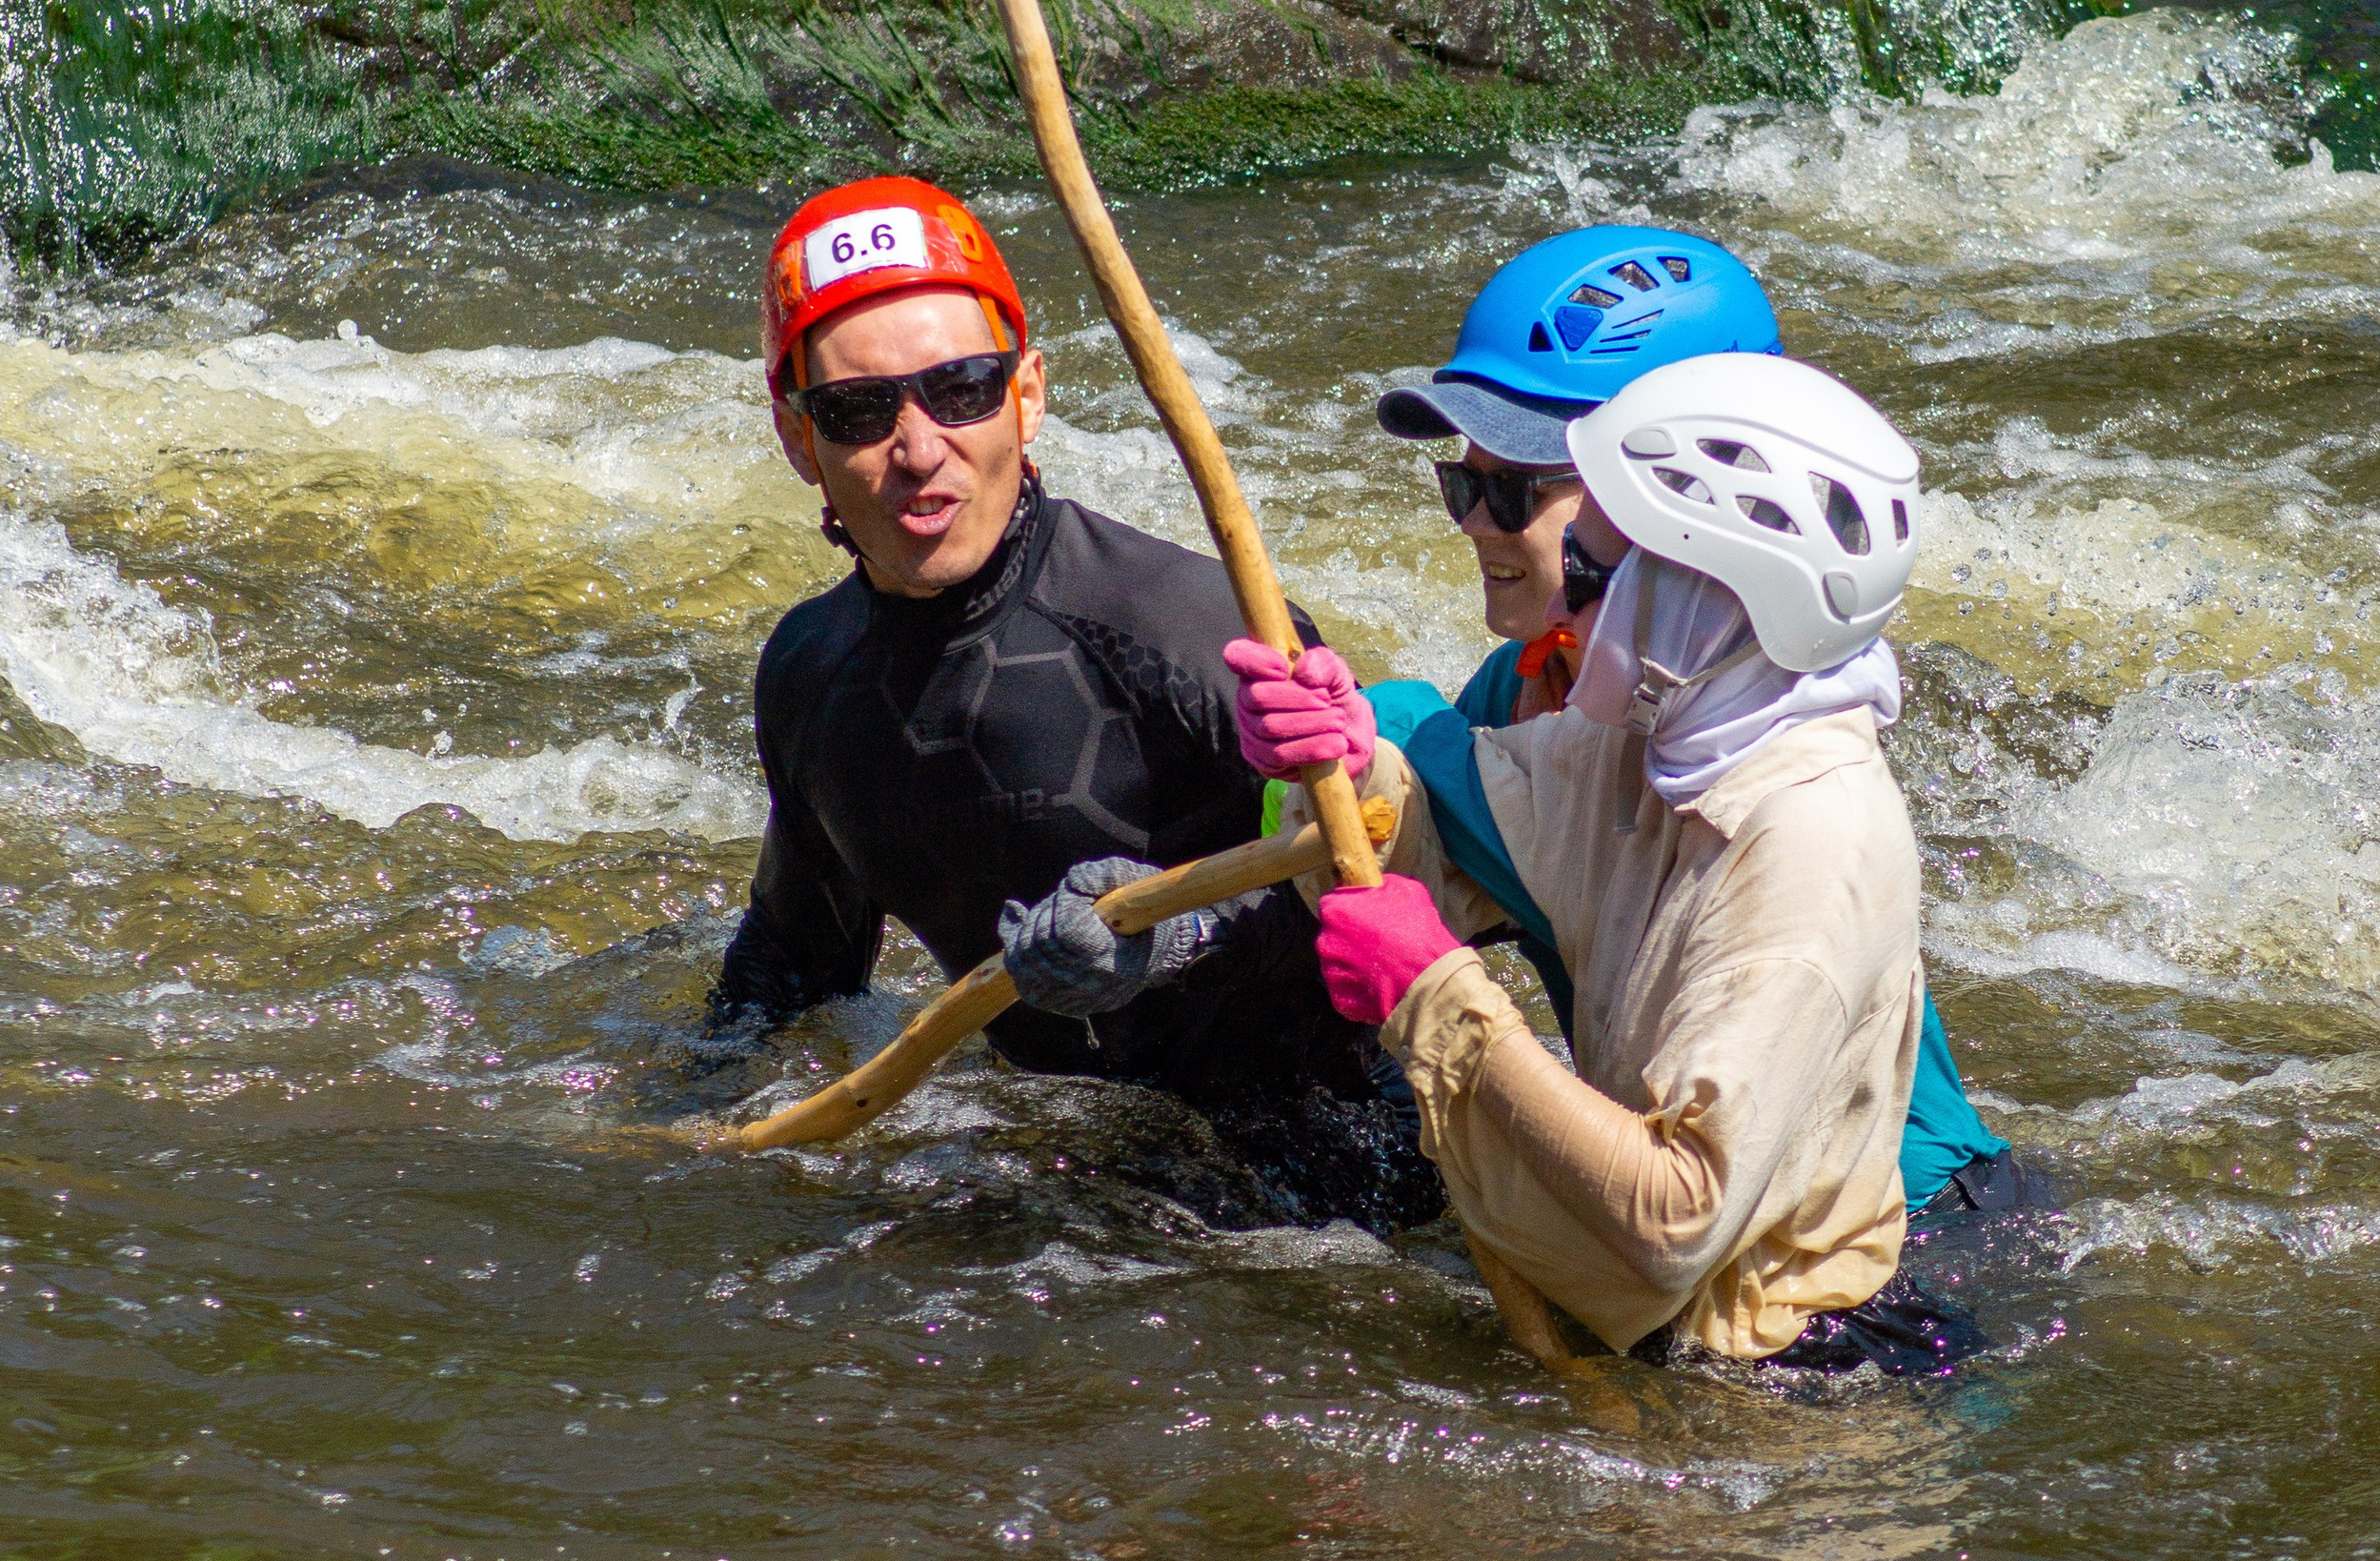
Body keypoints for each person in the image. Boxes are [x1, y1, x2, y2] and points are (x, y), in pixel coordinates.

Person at [1226, 352, 1992, 1374]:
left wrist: (1438, 998)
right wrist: (1341, 763)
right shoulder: (1659, 745)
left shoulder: (1812, 838)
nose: (1564, 612)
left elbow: (1675, 1219)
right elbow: (1433, 849)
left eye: (1587, 576)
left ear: (1703, 594)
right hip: (1660, 1349)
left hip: (1789, 1389)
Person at [708, 174, 1434, 1222]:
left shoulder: (1193, 624)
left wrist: (1167, 935)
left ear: (1029, 392)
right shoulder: (809, 673)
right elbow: (795, 961)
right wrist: (686, 1115)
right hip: (1067, 1197)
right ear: (796, 439)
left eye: (960, 388)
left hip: (1346, 1185)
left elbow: (1383, 868)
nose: (918, 449)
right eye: (859, 410)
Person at [1365, 223, 2012, 1229]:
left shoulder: (1763, 735)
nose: (1475, 524)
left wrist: (1384, 725)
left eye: (1513, 491)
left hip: (1902, 1226)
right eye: (1462, 481)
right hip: (1697, 1200)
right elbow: (1398, 889)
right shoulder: (1520, 687)